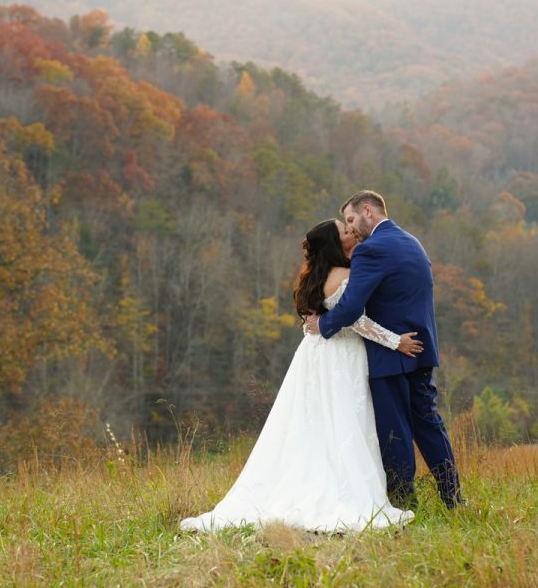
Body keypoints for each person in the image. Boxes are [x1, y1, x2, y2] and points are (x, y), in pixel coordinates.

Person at [180, 219, 423, 533]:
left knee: (313, 425)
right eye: (344, 230)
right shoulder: (345, 275)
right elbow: (356, 321)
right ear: (335, 244)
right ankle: (338, 491)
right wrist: (395, 340)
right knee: (344, 421)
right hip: (341, 357)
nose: (351, 231)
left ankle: (309, 480)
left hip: (314, 355)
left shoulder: (314, 277)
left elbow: (326, 318)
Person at [304, 190, 463, 509]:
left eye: (351, 219)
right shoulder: (411, 242)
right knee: (429, 425)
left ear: (367, 211)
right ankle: (453, 497)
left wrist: (321, 326)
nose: (351, 229)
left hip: (389, 356)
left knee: (395, 432)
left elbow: (349, 309)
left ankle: (405, 503)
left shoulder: (371, 250)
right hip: (420, 349)